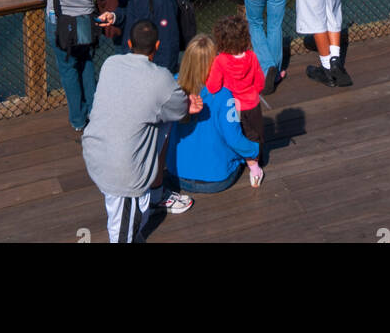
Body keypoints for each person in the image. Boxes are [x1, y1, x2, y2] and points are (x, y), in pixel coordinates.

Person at [83, 19, 193, 243]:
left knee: (164, 121)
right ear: (158, 46)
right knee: (122, 234)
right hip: (122, 174)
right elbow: (181, 110)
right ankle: (147, 202)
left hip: (95, 150)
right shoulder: (161, 78)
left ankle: (154, 194)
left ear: (130, 42)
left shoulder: (111, 63)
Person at [35, 0, 104, 136]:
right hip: (84, 21)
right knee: (86, 64)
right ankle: (95, 113)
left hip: (59, 21)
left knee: (67, 70)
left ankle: (77, 119)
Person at [167, 34, 261, 194]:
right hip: (216, 178)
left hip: (176, 174)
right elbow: (234, 139)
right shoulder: (224, 93)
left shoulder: (172, 85)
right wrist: (255, 150)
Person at [206, 15, 265, 184]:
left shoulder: (220, 61)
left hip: (231, 105)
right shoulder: (252, 57)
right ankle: (255, 167)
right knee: (254, 134)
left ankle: (244, 163)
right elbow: (260, 82)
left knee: (235, 134)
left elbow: (213, 87)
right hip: (251, 103)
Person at [96, 0, 180, 72]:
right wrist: (114, 17)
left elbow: (169, 43)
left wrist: (161, 75)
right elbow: (131, 14)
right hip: (133, 66)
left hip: (152, 70)